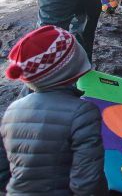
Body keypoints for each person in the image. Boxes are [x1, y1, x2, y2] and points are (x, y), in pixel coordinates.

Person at [0, 25, 107, 195]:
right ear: (72, 65)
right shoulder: (83, 112)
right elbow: (87, 184)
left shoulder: (12, 110)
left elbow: (3, 172)